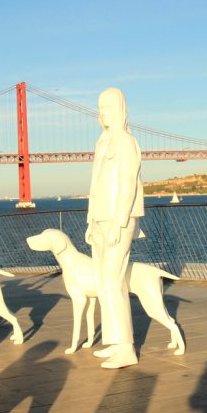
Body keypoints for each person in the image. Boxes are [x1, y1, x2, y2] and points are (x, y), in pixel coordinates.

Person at [85, 87, 144, 369]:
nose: (102, 113)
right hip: (100, 218)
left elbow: (128, 183)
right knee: (103, 280)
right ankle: (114, 342)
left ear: (119, 109)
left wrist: (119, 222)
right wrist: (90, 219)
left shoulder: (125, 141)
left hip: (117, 219)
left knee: (113, 280)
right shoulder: (103, 140)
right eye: (100, 108)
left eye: (107, 108)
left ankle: (127, 347)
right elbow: (96, 185)